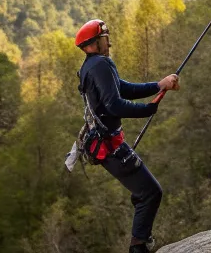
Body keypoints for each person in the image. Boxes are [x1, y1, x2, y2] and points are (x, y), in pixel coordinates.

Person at [75, 19, 179, 253]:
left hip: (104, 145)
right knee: (151, 192)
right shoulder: (101, 64)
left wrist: (159, 85)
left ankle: (140, 237)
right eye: (105, 38)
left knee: (144, 192)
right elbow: (114, 105)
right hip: (110, 147)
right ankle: (138, 246)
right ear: (93, 43)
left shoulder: (91, 67)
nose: (108, 42)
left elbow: (123, 88)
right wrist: (147, 110)